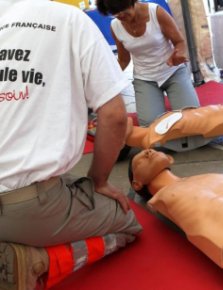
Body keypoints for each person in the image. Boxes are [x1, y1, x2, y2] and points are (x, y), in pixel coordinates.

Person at [0, 1, 142, 289]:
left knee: (59, 183)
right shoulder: (70, 20)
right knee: (128, 222)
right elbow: (114, 116)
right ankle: (38, 260)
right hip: (23, 206)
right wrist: (98, 180)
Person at [129, 148, 223, 268]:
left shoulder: (209, 176)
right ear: (137, 184)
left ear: (169, 158)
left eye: (153, 150)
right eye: (140, 160)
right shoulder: (160, 199)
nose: (148, 151)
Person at [96, 0, 200, 127]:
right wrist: (108, 80)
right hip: (145, 78)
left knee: (191, 119)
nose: (122, 17)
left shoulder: (155, 12)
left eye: (124, 13)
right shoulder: (115, 26)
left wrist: (178, 54)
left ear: (132, 2)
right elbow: (124, 59)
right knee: (150, 126)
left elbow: (179, 41)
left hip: (172, 71)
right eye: (117, 15)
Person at [125, 104, 223, 150]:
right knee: (190, 119)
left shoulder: (153, 131)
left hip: (222, 116)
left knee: (191, 115)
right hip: (221, 120)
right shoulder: (153, 138)